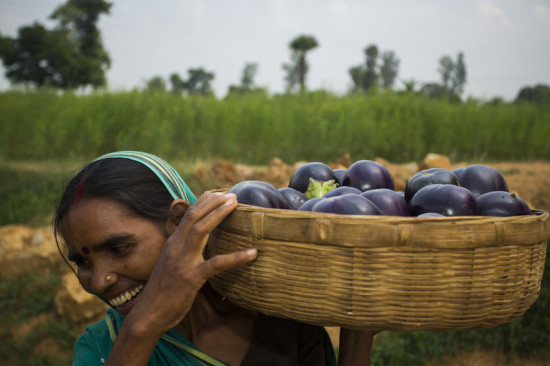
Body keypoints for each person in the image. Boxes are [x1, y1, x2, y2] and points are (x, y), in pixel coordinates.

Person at [53, 151, 376, 365]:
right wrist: (144, 328)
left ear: (180, 223)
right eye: (82, 262)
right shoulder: (101, 348)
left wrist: (359, 330)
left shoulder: (281, 322)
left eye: (119, 249)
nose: (99, 281)